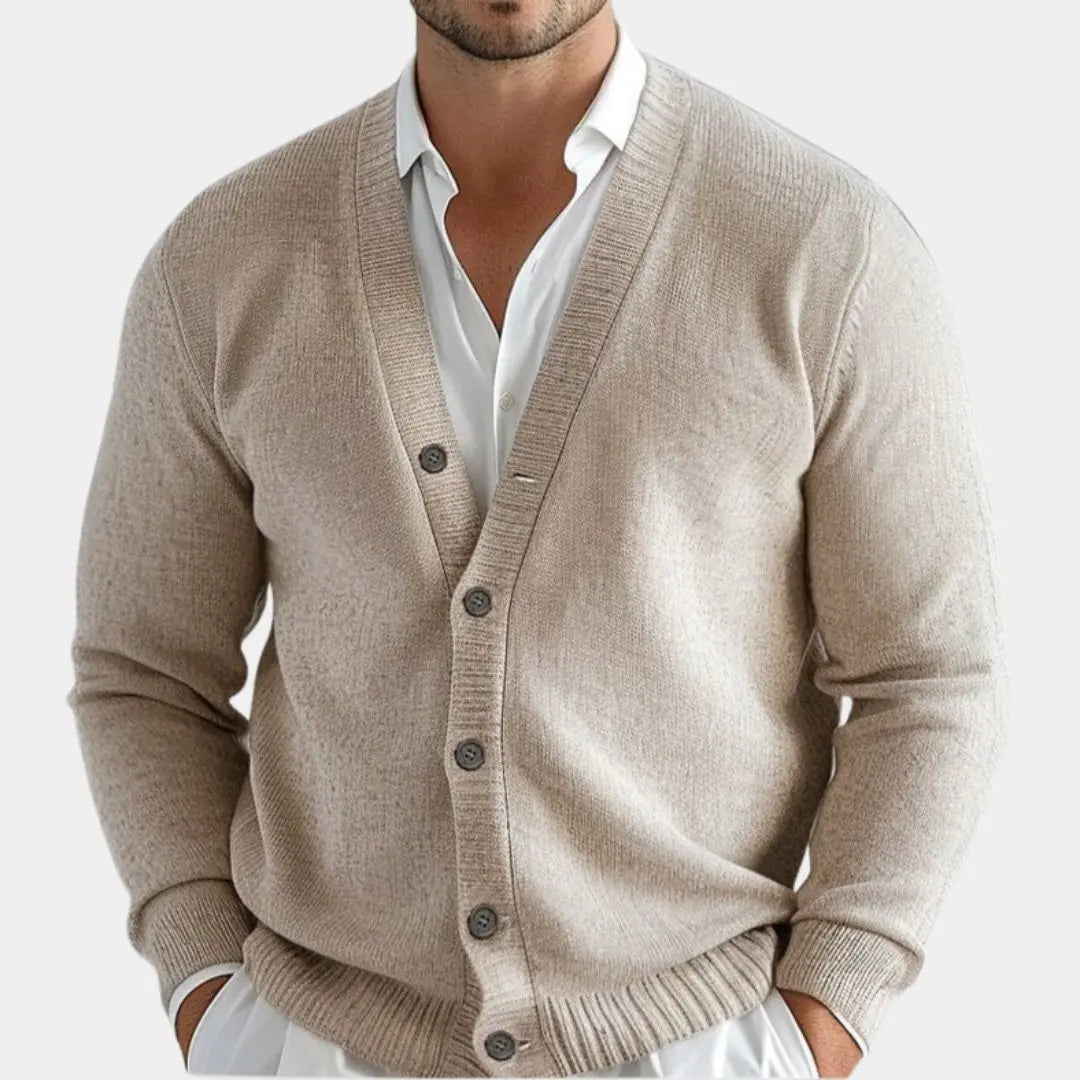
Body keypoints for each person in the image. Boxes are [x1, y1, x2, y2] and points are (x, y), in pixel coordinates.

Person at [66, 1, 1009, 1077]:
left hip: (697, 1043)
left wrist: (818, 1021)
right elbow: (144, 670)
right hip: (316, 1045)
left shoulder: (825, 247)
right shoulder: (224, 259)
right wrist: (210, 995)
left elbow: (929, 677)